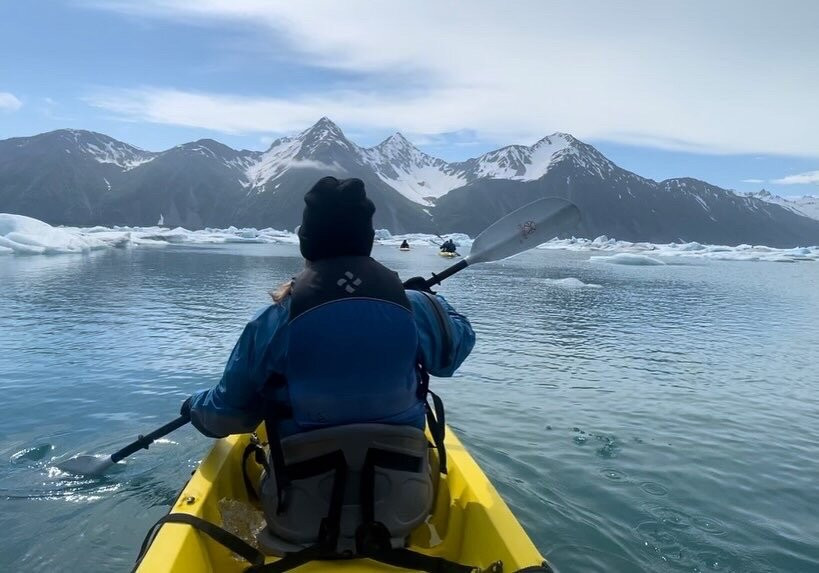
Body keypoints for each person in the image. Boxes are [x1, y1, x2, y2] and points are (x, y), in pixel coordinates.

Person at [182, 176, 475, 557]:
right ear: (368, 239)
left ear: (306, 243)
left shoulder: (273, 320)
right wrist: (431, 300)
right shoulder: (414, 307)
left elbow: (227, 417)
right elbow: (453, 353)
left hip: (299, 515)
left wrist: (193, 407)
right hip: (404, 508)